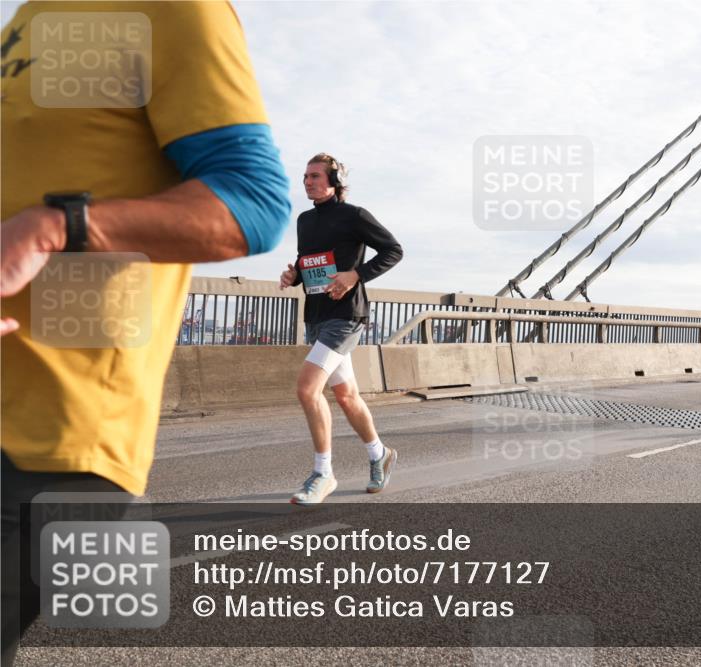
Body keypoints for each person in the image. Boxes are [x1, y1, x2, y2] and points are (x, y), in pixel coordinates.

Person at [1, 3, 291, 663]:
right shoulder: (28, 15)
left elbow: (254, 201)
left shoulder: (176, 8)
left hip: (54, 439)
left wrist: (55, 226)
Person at [280, 154, 403, 505]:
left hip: (346, 316)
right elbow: (309, 263)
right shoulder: (305, 220)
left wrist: (356, 275)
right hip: (316, 316)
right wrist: (294, 276)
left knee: (307, 389)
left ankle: (323, 473)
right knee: (347, 397)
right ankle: (380, 454)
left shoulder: (354, 216)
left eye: (316, 176)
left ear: (334, 179)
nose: (308, 181)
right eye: (305, 176)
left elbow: (394, 250)